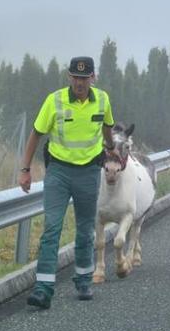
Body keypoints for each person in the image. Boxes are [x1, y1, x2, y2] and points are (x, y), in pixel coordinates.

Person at [17, 56, 118, 309]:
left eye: (84, 78)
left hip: (88, 173)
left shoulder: (103, 100)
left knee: (85, 229)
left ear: (93, 78)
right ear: (69, 77)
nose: (80, 83)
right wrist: (25, 169)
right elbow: (35, 134)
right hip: (59, 173)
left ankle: (83, 280)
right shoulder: (55, 101)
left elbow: (107, 126)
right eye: (75, 77)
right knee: (52, 228)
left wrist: (110, 147)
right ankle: (43, 289)